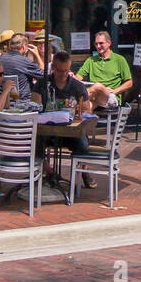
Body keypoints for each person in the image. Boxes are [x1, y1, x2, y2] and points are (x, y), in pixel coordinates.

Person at [31, 49, 95, 184]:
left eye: (67, 70)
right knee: (34, 142)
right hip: (47, 131)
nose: (64, 74)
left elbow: (87, 109)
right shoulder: (42, 84)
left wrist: (79, 111)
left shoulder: (77, 86)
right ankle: (49, 172)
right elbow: (34, 105)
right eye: (60, 71)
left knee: (83, 145)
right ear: (53, 68)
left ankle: (83, 169)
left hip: (69, 132)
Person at [76, 31, 133, 110]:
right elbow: (78, 77)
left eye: (101, 43)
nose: (98, 46)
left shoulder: (119, 60)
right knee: (85, 107)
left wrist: (115, 91)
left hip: (111, 98)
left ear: (109, 43)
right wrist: (72, 78)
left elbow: (129, 83)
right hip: (95, 98)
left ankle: (76, 102)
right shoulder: (91, 60)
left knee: (98, 86)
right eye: (96, 44)